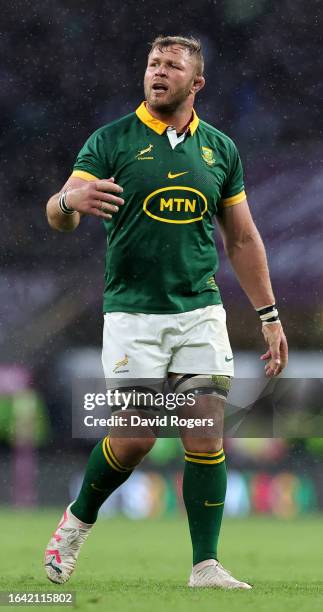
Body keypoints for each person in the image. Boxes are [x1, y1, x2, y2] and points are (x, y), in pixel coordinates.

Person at [44, 35, 288, 589]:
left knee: (205, 431)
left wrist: (269, 317)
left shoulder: (220, 150)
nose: (158, 71)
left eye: (172, 66)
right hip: (132, 313)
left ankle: (205, 565)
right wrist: (67, 203)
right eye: (153, 63)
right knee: (135, 439)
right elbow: (60, 214)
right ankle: (78, 520)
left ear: (195, 83)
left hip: (199, 311)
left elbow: (243, 240)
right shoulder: (111, 141)